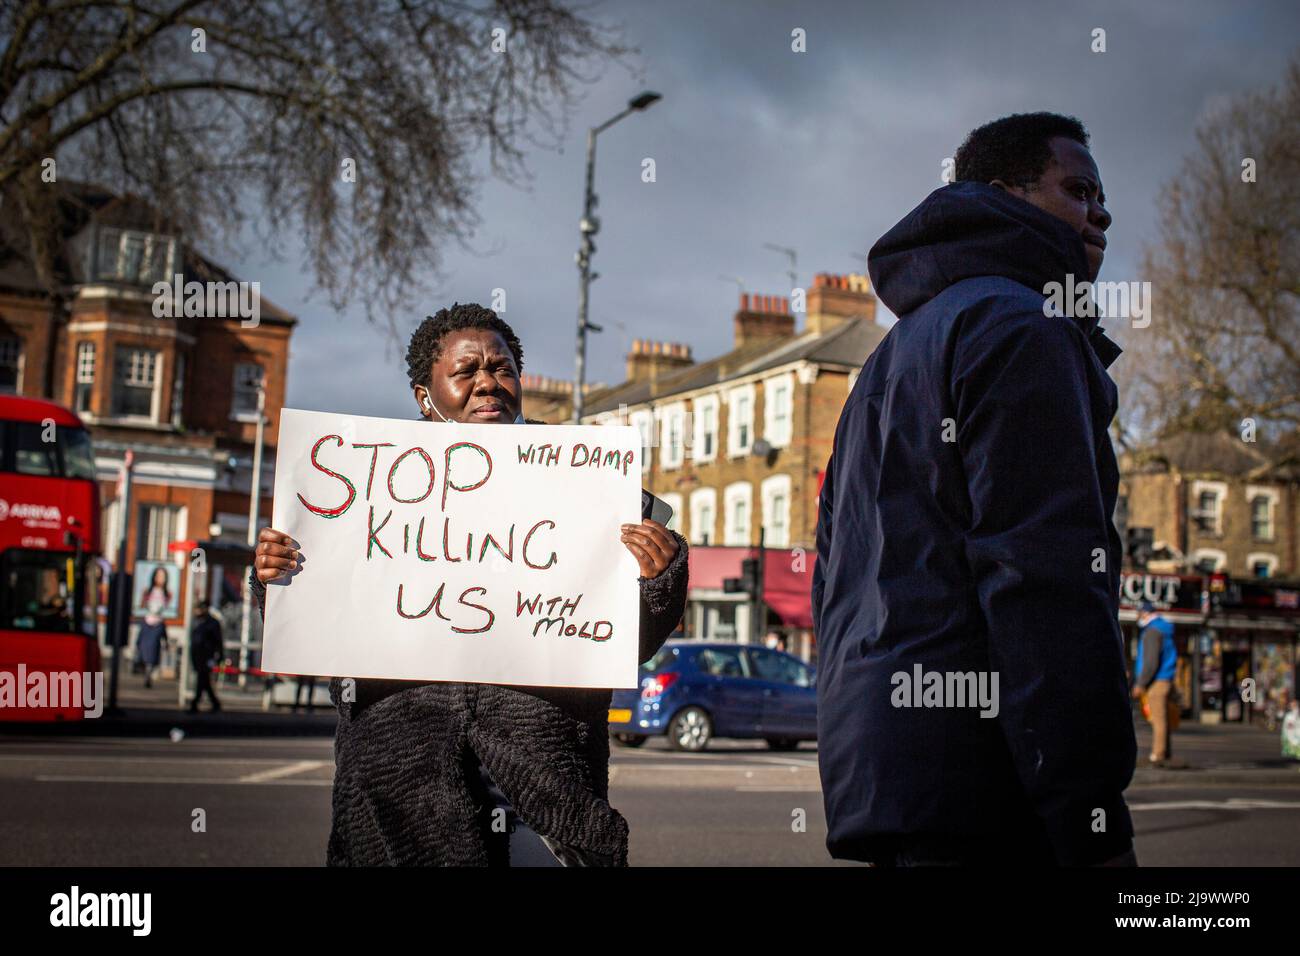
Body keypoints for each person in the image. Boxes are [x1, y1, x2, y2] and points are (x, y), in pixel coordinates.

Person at [249, 303, 689, 866]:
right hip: (396, 791)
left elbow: (634, 642)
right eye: (466, 371)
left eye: (502, 369)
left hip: (545, 795)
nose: (488, 382)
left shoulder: (587, 478)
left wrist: (660, 575)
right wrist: (273, 575)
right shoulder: (366, 483)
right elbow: (309, 625)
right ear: (423, 395)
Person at [813, 113, 1137, 867]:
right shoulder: (1023, 328)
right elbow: (1044, 579)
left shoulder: (888, 361)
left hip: (894, 778)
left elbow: (837, 574)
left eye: (1103, 194)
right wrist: (1089, 809)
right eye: (1079, 189)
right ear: (1005, 195)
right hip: (992, 783)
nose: (1103, 212)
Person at [1132, 601, 1177, 765]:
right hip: (1166, 678)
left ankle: (1158, 754)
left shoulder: (1152, 632)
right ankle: (1165, 752)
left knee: (1157, 719)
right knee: (1163, 718)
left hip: (1157, 681)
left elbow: (1150, 662)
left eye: (1139, 614)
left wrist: (1140, 683)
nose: (1138, 617)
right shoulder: (1163, 629)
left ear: (1144, 613)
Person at [136, 566, 171, 689]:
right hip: (147, 622)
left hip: (158, 624)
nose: (160, 578)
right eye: (158, 575)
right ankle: (144, 667)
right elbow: (141, 605)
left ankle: (149, 673)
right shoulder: (147, 591)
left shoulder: (167, 593)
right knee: (143, 647)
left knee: (154, 651)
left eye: (163, 576)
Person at [188, 600, 223, 713]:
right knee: (205, 681)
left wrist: (219, 656)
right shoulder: (197, 621)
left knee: (202, 679)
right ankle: (215, 703)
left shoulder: (212, 623)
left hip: (207, 656)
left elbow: (218, 641)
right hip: (197, 655)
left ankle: (195, 703)